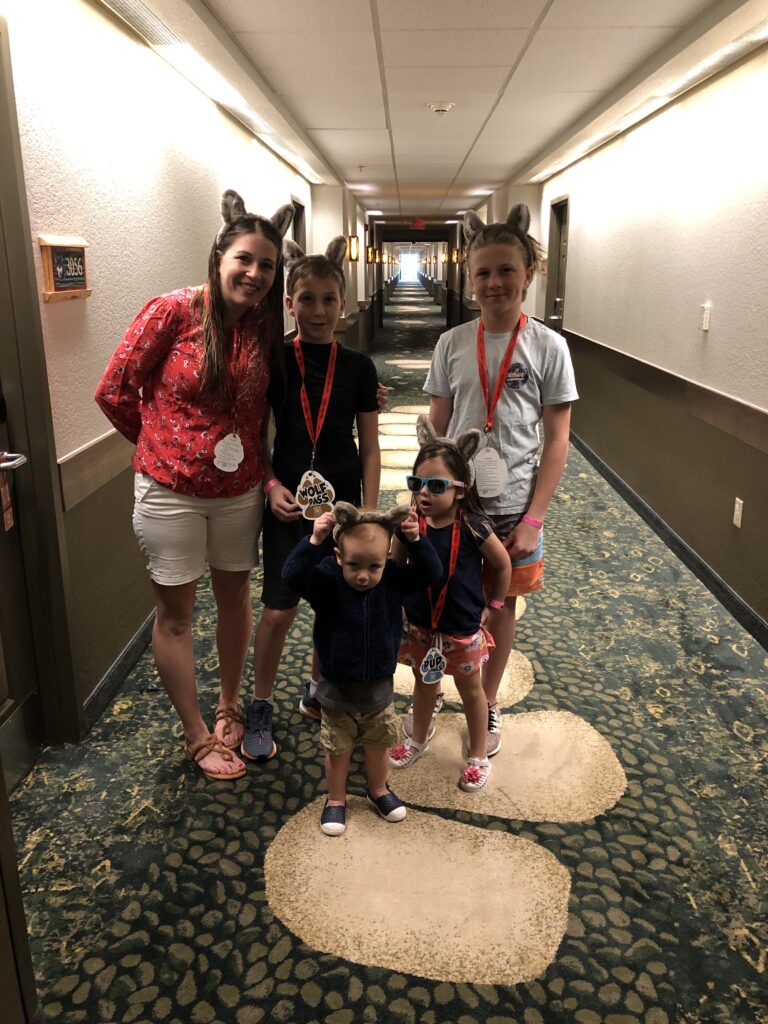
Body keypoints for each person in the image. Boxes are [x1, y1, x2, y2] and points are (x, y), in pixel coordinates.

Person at [95, 189, 293, 781]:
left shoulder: (263, 327)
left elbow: (273, 402)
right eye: (245, 259)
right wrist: (162, 445)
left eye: (266, 264)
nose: (254, 273)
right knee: (176, 614)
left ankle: (230, 705)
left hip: (238, 493)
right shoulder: (173, 311)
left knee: (234, 599)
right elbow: (113, 390)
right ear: (220, 257)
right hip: (170, 493)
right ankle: (197, 733)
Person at [423, 205, 578, 756]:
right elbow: (436, 428)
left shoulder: (548, 348)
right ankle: (443, 686)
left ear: (528, 274)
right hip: (455, 504)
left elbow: (557, 439)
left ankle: (484, 703)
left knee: (499, 603)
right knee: (442, 597)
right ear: (470, 277)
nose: (494, 283)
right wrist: (425, 494)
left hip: (513, 503)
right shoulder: (452, 344)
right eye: (483, 272)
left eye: (506, 270)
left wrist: (535, 519)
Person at [241, 237, 382, 763]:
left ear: (343, 305)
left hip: (342, 504)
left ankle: (319, 689)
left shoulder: (360, 367)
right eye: (307, 299)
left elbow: (369, 446)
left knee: (335, 601)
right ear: (288, 302)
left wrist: (368, 513)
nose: (318, 311)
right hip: (286, 503)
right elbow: (255, 433)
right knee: (278, 608)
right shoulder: (272, 359)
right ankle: (259, 704)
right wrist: (270, 484)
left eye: (328, 299)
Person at [281, 502, 443, 835]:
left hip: (379, 690)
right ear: (339, 556)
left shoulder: (393, 581)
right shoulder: (327, 578)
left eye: (374, 565)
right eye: (353, 564)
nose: (364, 575)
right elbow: (292, 576)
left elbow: (432, 573)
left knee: (378, 745)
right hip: (336, 691)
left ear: (387, 559)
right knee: (338, 749)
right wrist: (314, 541)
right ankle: (336, 799)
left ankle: (379, 789)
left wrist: (415, 540)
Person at [388, 417, 511, 790]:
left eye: (436, 486)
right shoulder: (410, 526)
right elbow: (396, 566)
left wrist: (495, 602)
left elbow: (502, 563)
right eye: (417, 484)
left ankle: (476, 755)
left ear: (460, 490)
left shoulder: (474, 526)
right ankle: (417, 739)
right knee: (424, 685)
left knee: (472, 691)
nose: (424, 493)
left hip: (462, 626)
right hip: (422, 625)